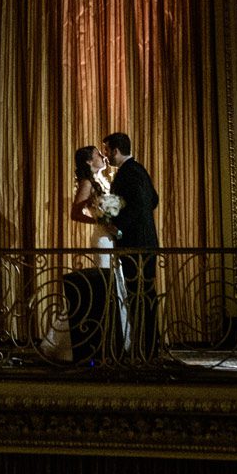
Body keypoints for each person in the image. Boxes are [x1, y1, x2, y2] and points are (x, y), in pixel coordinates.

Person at [62, 145, 129, 364]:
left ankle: (118, 340)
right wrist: (99, 220)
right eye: (98, 155)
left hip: (112, 237)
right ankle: (78, 343)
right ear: (90, 162)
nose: (103, 156)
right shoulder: (87, 182)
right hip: (102, 239)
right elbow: (75, 213)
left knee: (118, 286)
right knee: (105, 287)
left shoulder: (104, 181)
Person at [103, 131, 160, 355]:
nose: (106, 155)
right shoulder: (139, 169)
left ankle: (147, 348)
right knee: (143, 294)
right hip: (145, 241)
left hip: (137, 243)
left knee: (140, 295)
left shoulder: (129, 172)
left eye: (107, 150)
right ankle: (148, 346)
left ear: (116, 150)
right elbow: (153, 200)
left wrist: (119, 227)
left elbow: (139, 203)